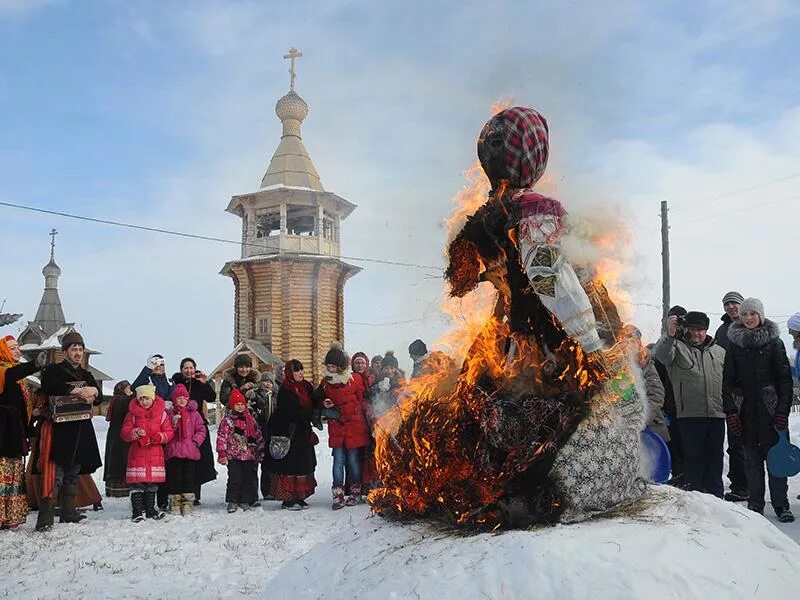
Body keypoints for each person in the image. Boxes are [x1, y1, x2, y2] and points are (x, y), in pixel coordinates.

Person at [723, 298, 794, 522]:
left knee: (776, 462)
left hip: (771, 413)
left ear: (760, 316)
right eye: (745, 315)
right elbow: (727, 381)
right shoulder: (734, 344)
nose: (748, 318)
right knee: (752, 463)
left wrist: (782, 410)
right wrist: (732, 411)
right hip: (747, 413)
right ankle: (755, 505)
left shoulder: (774, 343)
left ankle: (782, 505)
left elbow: (785, 380)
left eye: (753, 314)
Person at [36, 330, 103, 532]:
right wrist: (75, 391)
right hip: (60, 430)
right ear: (65, 351)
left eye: (81, 349)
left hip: (80, 429)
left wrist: (94, 391)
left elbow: (97, 397)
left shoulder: (86, 374)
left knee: (73, 472)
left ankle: (69, 512)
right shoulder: (54, 370)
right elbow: (49, 385)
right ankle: (46, 517)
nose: (78, 352)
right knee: (56, 473)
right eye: (74, 349)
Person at [654, 311, 726, 498]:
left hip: (717, 414)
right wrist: (669, 334)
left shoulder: (719, 352)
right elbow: (661, 355)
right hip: (689, 415)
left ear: (706, 330)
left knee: (715, 458)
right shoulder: (676, 348)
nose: (696, 334)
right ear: (686, 330)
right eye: (692, 329)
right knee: (694, 459)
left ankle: (717, 496)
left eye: (700, 330)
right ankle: (696, 498)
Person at [315, 342, 370, 510]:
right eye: (328, 366)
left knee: (353, 460)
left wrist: (342, 409)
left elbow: (362, 401)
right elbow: (316, 399)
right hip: (337, 427)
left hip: (354, 426)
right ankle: (338, 494)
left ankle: (354, 491)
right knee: (338, 461)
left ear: (341, 366)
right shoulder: (325, 382)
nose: (330, 369)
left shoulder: (355, 379)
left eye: (333, 366)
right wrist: (324, 403)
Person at [0, 336, 44, 529]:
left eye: (18, 347)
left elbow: (25, 404)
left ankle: (11, 516)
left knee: (15, 471)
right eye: (12, 348)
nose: (17, 351)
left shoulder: (22, 379)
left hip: (16, 429)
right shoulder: (3, 370)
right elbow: (11, 375)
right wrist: (35, 365)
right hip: (2, 428)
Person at [266, 360, 317, 510]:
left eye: (302, 370)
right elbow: (289, 412)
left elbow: (313, 403)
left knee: (303, 464)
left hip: (303, 432)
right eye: (297, 371)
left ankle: (300, 496)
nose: (301, 373)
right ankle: (288, 499)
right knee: (289, 466)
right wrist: (306, 414)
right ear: (290, 373)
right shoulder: (285, 390)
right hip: (289, 432)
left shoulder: (306, 387)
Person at [713, 291, 748, 502]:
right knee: (736, 441)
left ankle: (762, 485)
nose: (731, 307)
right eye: (727, 304)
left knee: (757, 442)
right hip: (732, 393)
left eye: (734, 303)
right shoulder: (722, 331)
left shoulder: (753, 325)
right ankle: (740, 486)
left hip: (754, 393)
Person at [121, 384, 173, 522]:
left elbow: (169, 432)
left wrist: (160, 437)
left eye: (147, 399)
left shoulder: (162, 415)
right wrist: (135, 433)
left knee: (152, 484)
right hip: (137, 453)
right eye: (141, 399)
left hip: (155, 453)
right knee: (137, 484)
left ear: (153, 398)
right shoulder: (132, 414)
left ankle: (150, 509)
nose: (144, 402)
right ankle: (137, 511)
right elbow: (124, 432)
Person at [170, 358, 216, 506]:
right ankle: (178, 493)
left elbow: (211, 397)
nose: (188, 370)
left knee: (198, 461)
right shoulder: (176, 382)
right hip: (179, 425)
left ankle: (194, 494)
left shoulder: (198, 383)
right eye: (185, 368)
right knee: (179, 463)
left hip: (196, 423)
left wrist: (205, 383)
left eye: (191, 367)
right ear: (181, 369)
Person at [217, 389, 264, 513]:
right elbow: (222, 437)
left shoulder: (251, 419)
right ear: (232, 405)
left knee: (248, 478)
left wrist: (261, 449)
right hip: (233, 455)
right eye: (237, 404)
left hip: (249, 455)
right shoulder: (227, 420)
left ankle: (245, 499)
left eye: (242, 404)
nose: (240, 407)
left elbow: (257, 434)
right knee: (235, 478)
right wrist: (222, 453)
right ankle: (233, 500)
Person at [621, 326, 668, 442]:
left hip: (649, 426)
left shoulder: (646, 364)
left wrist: (642, 419)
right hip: (621, 428)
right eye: (626, 341)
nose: (630, 345)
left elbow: (657, 394)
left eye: (633, 341)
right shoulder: (616, 365)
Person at [165, 384, 206, 515]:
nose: (182, 400)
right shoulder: (169, 413)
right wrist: (173, 424)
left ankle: (187, 502)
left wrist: (195, 442)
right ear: (174, 399)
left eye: (184, 397)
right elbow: (167, 431)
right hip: (174, 451)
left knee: (189, 477)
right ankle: (175, 502)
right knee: (175, 477)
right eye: (179, 398)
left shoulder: (194, 414)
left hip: (190, 451)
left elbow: (201, 429)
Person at [103, 380, 133, 498]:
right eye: (128, 389)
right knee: (120, 460)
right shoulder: (121, 400)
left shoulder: (115, 400)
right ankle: (119, 489)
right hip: (120, 434)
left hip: (115, 434)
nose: (130, 391)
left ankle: (113, 489)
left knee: (115, 460)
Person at [254, 371, 278, 500]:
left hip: (272, 431)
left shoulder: (275, 396)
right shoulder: (257, 395)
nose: (267, 384)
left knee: (269, 463)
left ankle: (270, 490)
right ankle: (256, 490)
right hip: (260, 430)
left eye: (270, 382)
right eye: (265, 381)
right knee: (258, 461)